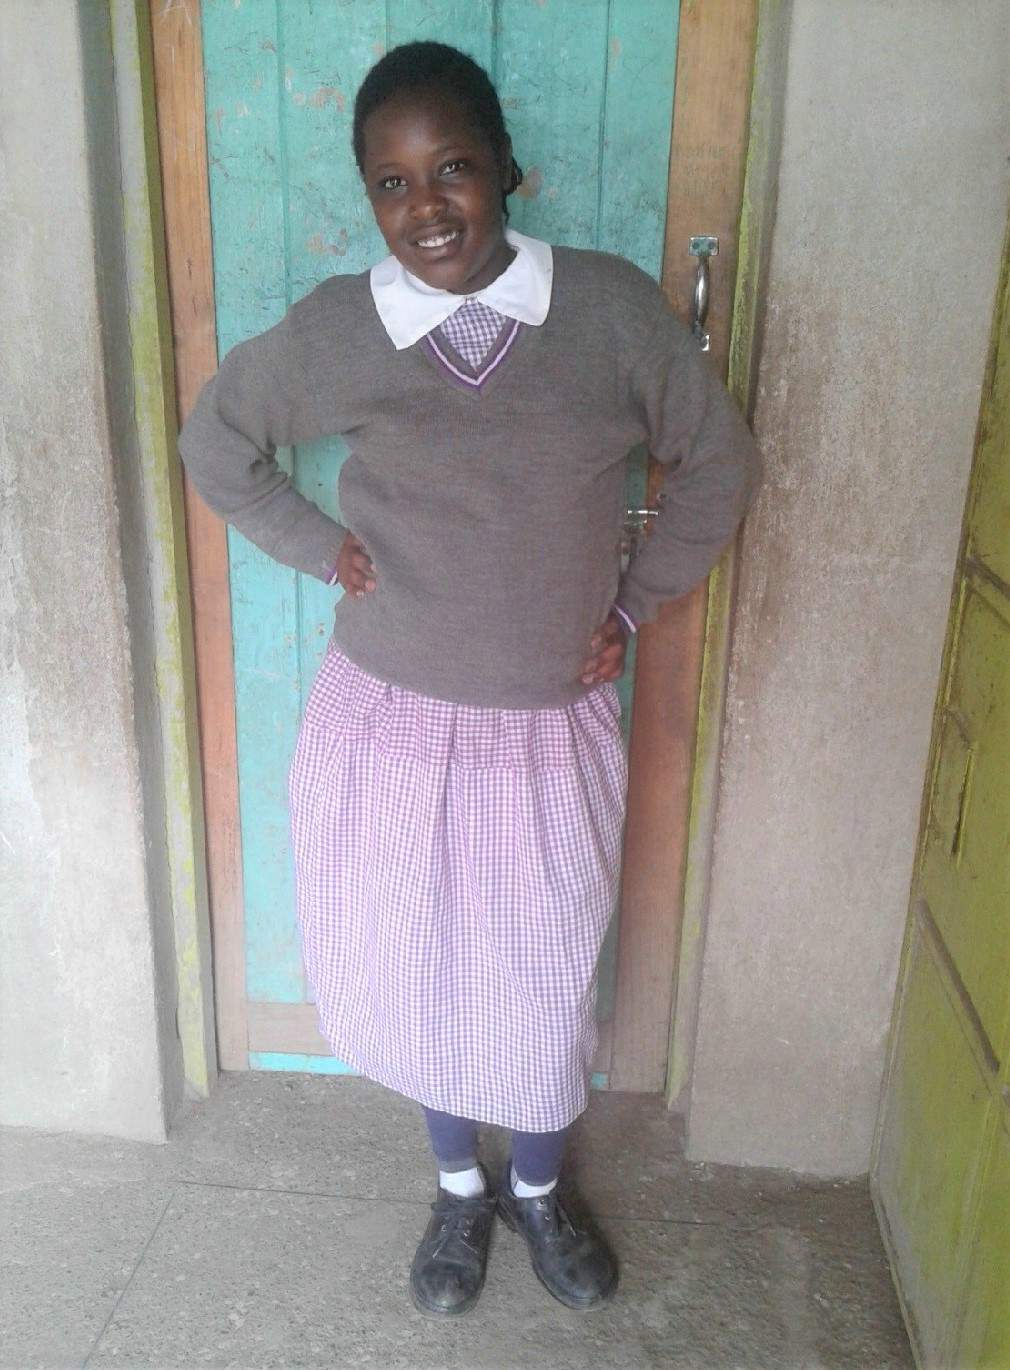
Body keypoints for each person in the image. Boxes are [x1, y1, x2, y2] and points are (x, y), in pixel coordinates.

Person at [179, 40, 760, 1318]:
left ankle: (538, 1187)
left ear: (509, 167)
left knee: (539, 971)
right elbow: (215, 441)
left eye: (452, 168)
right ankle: (455, 1185)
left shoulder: (604, 313)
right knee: (420, 961)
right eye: (392, 183)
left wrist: (631, 599)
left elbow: (717, 464)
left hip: (543, 729)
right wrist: (318, 544)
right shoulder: (345, 328)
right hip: (388, 719)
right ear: (369, 199)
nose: (426, 206)